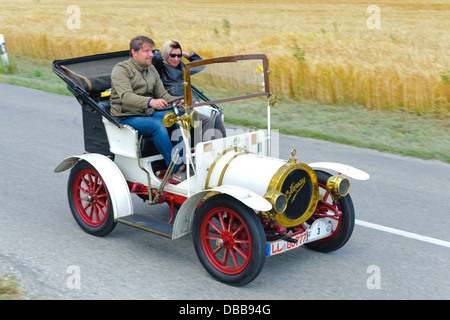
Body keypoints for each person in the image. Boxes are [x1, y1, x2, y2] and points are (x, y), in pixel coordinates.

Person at [110, 36, 186, 181]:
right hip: (126, 116)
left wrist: (177, 100)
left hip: (147, 113)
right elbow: (126, 96)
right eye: (147, 51)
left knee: (175, 118)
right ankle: (174, 168)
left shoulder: (151, 69)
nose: (151, 54)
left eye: (151, 51)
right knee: (157, 125)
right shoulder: (121, 70)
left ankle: (182, 163)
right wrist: (150, 102)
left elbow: (162, 93)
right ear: (134, 52)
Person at [152, 40, 226, 141]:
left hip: (188, 105)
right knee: (205, 121)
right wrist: (158, 51)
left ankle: (222, 149)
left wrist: (188, 55)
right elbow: (156, 58)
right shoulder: (160, 68)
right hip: (172, 107)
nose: (176, 59)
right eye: (172, 55)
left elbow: (200, 65)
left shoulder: (182, 67)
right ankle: (203, 153)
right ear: (165, 54)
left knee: (216, 115)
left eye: (179, 56)